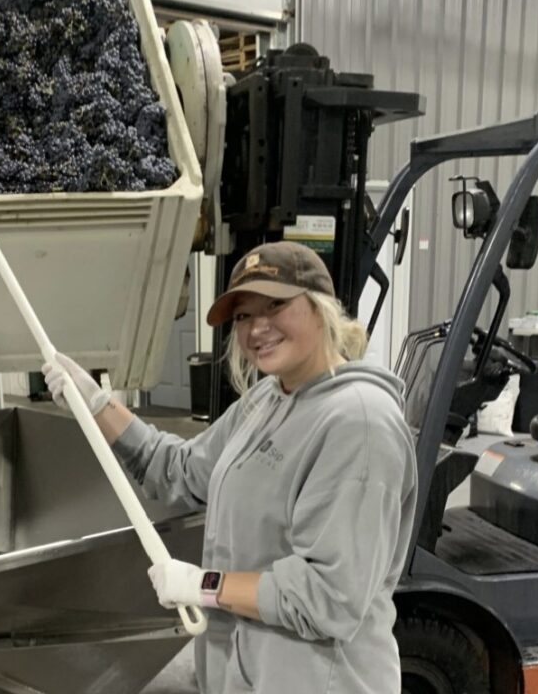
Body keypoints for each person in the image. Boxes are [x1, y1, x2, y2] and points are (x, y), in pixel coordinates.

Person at [42, 241, 417, 693]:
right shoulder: (267, 398)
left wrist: (204, 585)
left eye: (275, 305)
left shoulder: (358, 422)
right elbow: (178, 469)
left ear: (320, 308)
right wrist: (96, 403)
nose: (257, 328)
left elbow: (327, 598)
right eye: (243, 316)